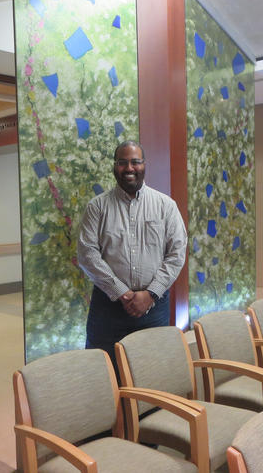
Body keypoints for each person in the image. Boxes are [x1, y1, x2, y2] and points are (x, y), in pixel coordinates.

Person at [77, 140, 187, 370]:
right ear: (114, 167)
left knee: (152, 370)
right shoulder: (97, 207)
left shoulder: (165, 206)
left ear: (144, 165)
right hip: (108, 307)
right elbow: (87, 254)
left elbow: (176, 254)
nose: (129, 168)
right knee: (103, 370)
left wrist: (151, 293)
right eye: (122, 162)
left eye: (135, 162)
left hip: (154, 307)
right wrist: (122, 293)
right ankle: (110, 408)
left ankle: (150, 408)